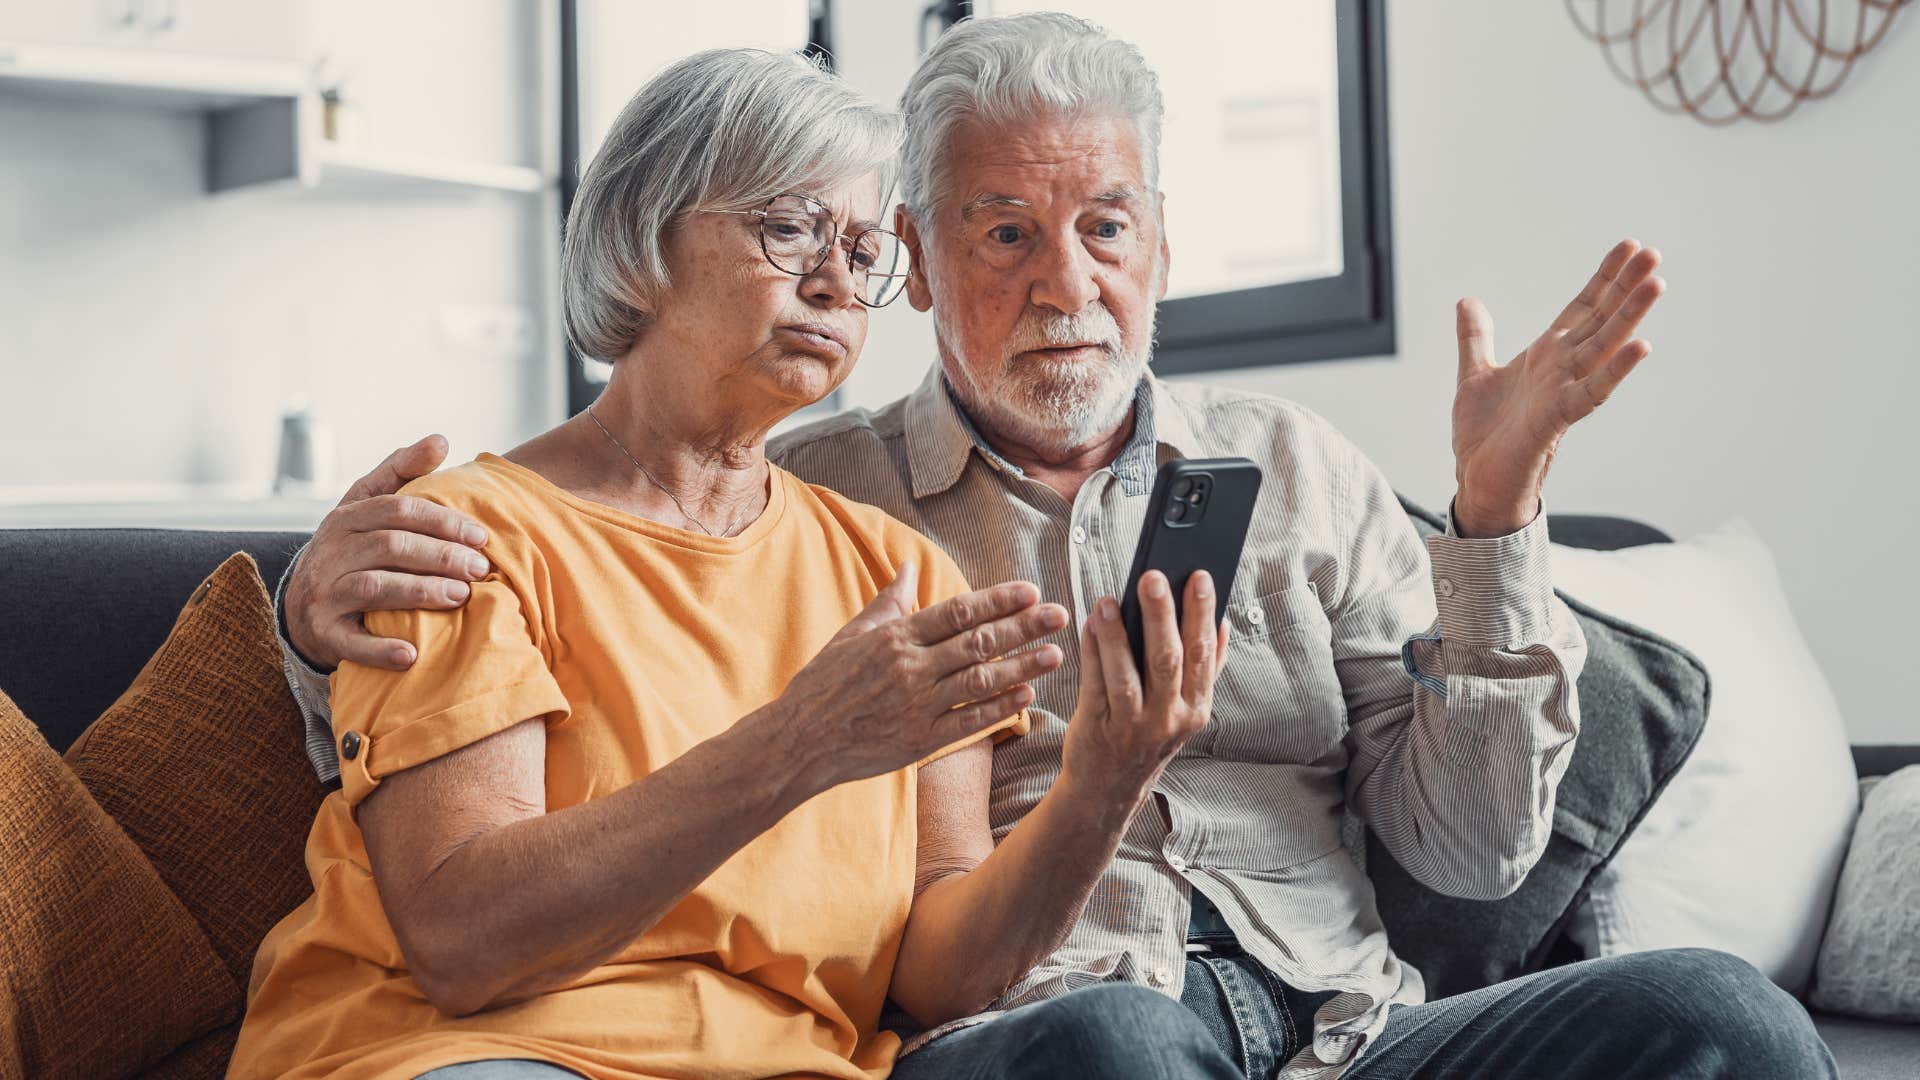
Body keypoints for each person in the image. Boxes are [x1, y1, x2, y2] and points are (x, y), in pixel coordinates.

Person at [275, 14, 1837, 1080]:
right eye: (999, 231)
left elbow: (1477, 858)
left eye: (1103, 227)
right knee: (1113, 1044)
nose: (1063, 280)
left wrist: (1489, 525)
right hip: (1068, 1029)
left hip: (1347, 1029)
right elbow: (466, 781)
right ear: (941, 270)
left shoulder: (1266, 476)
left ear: (1161, 248)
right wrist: (300, 610)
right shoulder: (825, 502)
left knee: (1721, 1015)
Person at [229, 46, 1241, 1080]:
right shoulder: (460, 536)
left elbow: (938, 973)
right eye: (791, 227)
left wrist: (1103, 782)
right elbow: (464, 941)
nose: (837, 280)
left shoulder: (904, 574)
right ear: (643, 237)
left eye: (858, 247)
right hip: (476, 1053)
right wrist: (800, 741)